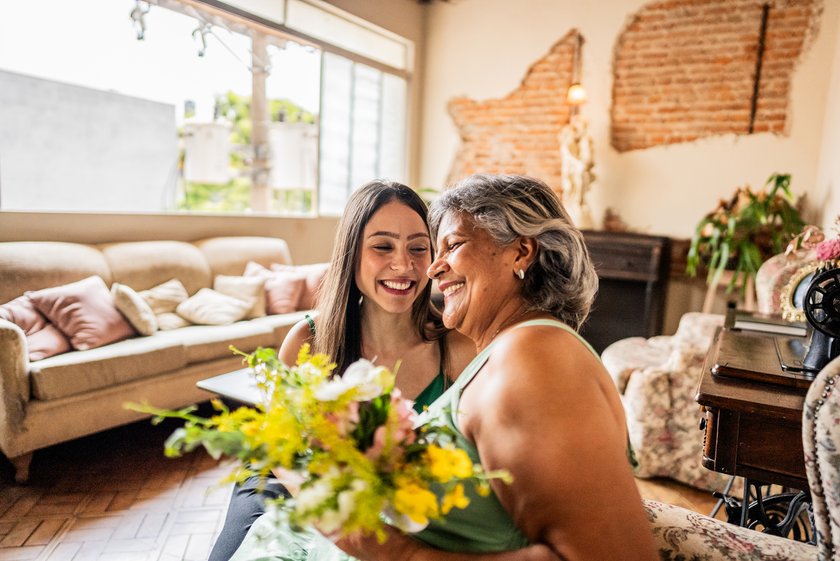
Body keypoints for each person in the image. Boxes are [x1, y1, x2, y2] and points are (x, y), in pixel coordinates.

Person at [230, 174, 657, 561]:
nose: (430, 267)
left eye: (449, 246)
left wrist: (397, 553)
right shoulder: (510, 352)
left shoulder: (534, 358)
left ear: (521, 253)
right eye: (437, 249)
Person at [208, 180, 475, 561]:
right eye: (382, 246)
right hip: (288, 478)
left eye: (418, 248)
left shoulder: (457, 348)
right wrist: (340, 519)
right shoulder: (307, 341)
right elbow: (284, 456)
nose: (403, 264)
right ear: (351, 254)